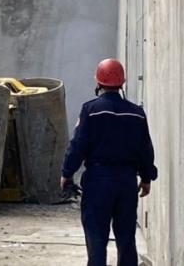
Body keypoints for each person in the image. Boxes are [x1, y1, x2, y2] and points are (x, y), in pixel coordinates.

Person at [61, 58, 157, 266]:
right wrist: (147, 177)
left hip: (98, 182)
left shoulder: (90, 111)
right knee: (126, 239)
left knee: (96, 241)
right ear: (122, 83)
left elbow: (78, 145)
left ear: (99, 83)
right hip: (126, 182)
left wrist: (67, 173)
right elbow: (145, 149)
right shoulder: (136, 113)